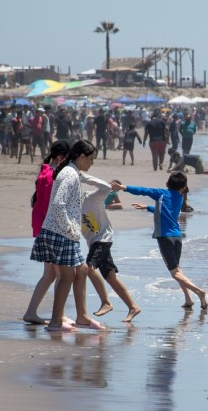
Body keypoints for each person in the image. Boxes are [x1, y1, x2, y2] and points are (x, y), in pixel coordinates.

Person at [30, 139, 98, 331]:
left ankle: (82, 316)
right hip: (61, 233)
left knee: (82, 269)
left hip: (60, 232)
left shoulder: (70, 171)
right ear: (81, 156)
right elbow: (59, 204)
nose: (92, 163)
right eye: (91, 159)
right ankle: (55, 322)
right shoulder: (70, 174)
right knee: (67, 276)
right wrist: (70, 228)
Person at [111, 173, 208, 309]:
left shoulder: (161, 193)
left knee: (175, 273)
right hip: (177, 237)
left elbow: (142, 190)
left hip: (165, 237)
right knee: (178, 270)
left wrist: (123, 187)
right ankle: (188, 299)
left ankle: (199, 292)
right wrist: (148, 207)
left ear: (167, 184)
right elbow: (167, 212)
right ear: (183, 188)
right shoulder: (180, 198)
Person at [79, 172, 142, 323]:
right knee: (110, 276)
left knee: (89, 267)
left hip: (102, 239)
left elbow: (107, 188)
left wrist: (82, 175)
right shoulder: (70, 207)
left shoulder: (91, 198)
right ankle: (133, 307)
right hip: (95, 241)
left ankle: (106, 303)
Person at [24, 140, 72, 325]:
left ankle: (39, 312)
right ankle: (55, 314)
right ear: (61, 158)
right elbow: (51, 207)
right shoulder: (51, 176)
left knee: (52, 274)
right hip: (50, 228)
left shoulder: (46, 172)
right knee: (60, 274)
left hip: (43, 227)